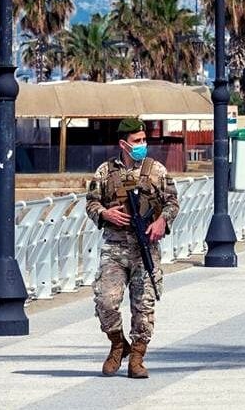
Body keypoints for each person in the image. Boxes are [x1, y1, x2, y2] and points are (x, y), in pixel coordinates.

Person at [86, 117, 179, 378]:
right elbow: (91, 202)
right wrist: (106, 214)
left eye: (144, 140)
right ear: (123, 144)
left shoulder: (157, 170)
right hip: (115, 248)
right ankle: (118, 345)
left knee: (143, 306)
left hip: (145, 249)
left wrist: (162, 221)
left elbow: (172, 202)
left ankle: (137, 357)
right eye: (137, 141)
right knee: (105, 301)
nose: (142, 145)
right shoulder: (105, 172)